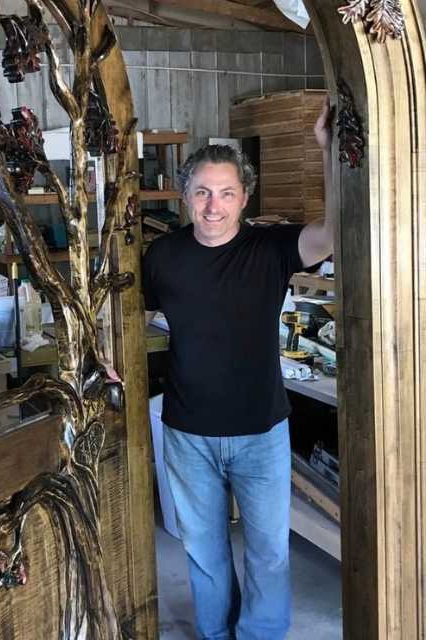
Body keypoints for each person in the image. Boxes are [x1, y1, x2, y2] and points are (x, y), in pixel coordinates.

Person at [142, 96, 334, 640]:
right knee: (204, 551)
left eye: (226, 193)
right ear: (185, 196)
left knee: (268, 552)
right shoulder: (163, 257)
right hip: (188, 433)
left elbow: (331, 233)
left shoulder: (272, 249)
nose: (213, 206)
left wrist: (326, 151)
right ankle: (215, 634)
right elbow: (137, 318)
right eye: (202, 192)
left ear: (244, 198)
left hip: (260, 431)